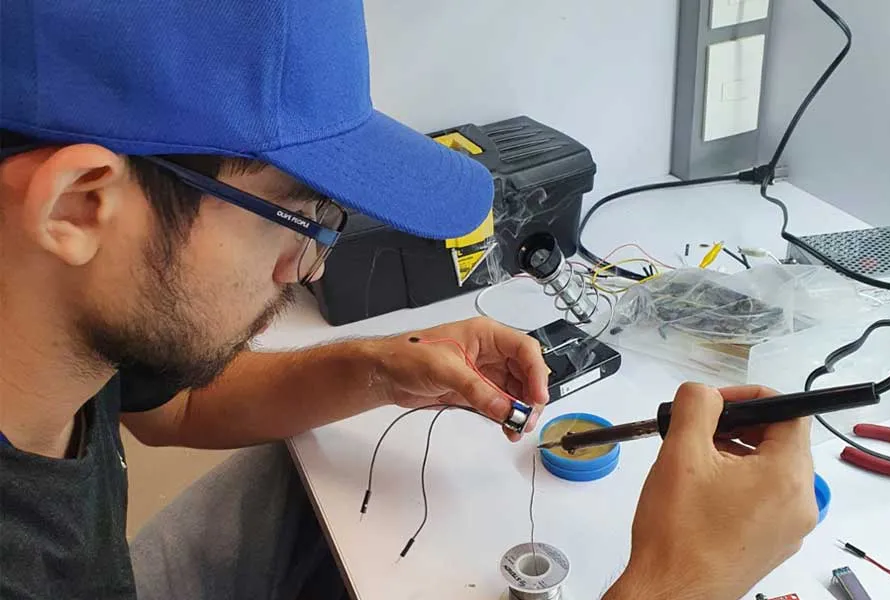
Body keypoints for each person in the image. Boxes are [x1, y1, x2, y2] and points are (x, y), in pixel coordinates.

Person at [0, 2, 819, 599]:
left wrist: (382, 369)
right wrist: (680, 583)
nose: (309, 271)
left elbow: (172, 405)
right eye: (297, 217)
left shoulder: (64, 333)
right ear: (78, 205)